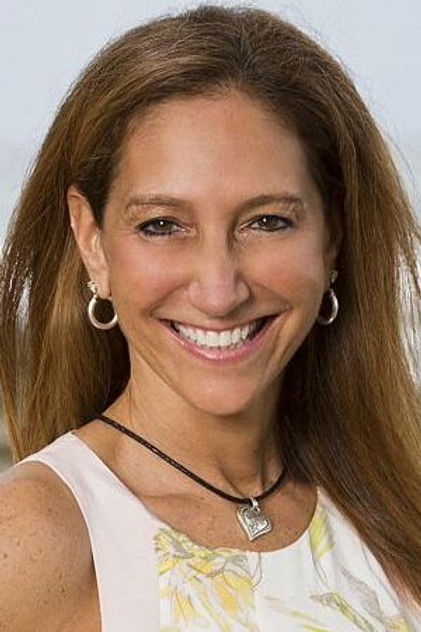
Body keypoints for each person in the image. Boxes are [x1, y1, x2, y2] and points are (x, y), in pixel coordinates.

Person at [0, 4, 420, 631]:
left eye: (267, 221)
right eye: (162, 225)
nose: (220, 291)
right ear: (93, 242)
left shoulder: (394, 510)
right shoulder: (34, 539)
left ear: (332, 236)